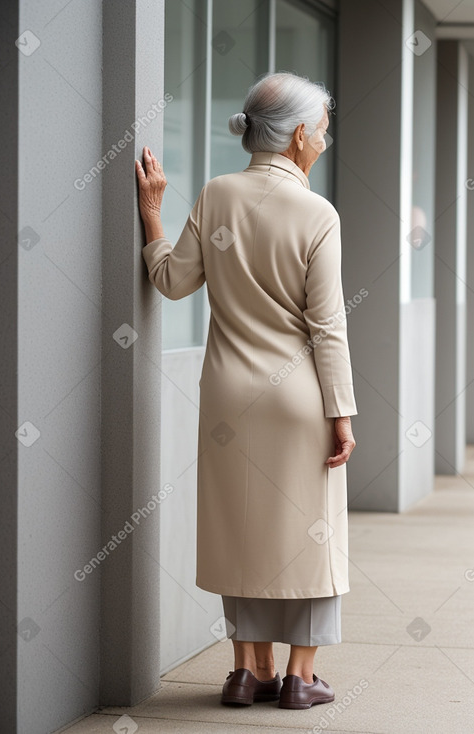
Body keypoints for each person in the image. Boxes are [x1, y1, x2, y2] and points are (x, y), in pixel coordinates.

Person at [136, 71, 357, 711]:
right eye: (320, 129)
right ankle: (298, 677)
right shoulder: (318, 213)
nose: (325, 139)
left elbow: (172, 283)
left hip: (228, 398)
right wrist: (341, 412)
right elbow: (328, 326)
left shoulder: (215, 195)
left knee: (245, 528)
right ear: (294, 136)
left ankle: (244, 672)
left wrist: (152, 212)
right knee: (312, 535)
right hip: (299, 401)